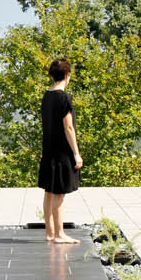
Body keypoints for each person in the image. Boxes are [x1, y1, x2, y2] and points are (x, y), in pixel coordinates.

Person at [39, 57, 83, 244]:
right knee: (59, 194)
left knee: (49, 192)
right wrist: (76, 153)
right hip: (61, 152)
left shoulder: (47, 96)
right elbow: (68, 128)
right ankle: (59, 234)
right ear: (67, 75)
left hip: (48, 150)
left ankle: (50, 233)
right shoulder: (64, 97)